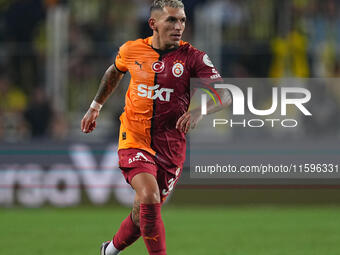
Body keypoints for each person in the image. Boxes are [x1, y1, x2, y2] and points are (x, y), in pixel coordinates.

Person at [81, 1, 231, 254]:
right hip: (134, 138)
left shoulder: (193, 57)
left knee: (143, 214)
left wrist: (198, 110)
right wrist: (96, 106)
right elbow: (115, 71)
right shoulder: (132, 50)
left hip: (170, 146)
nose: (179, 26)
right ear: (153, 24)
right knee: (149, 196)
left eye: (182, 20)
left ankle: (109, 251)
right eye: (172, 20)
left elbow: (224, 95)